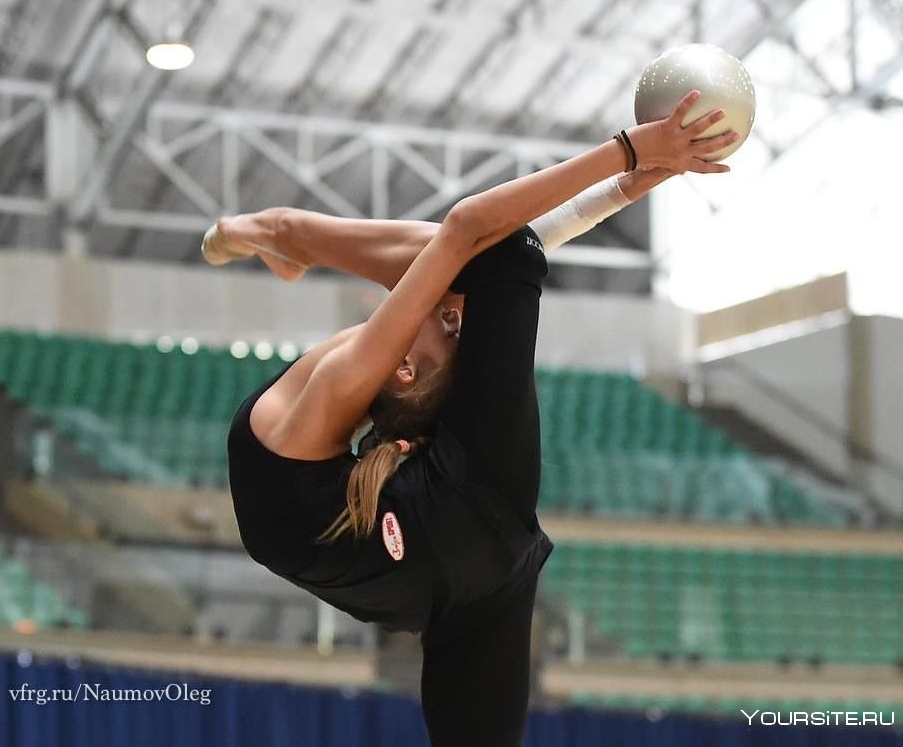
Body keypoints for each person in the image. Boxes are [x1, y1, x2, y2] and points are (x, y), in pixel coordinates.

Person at [206, 91, 736, 746]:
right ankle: (285, 233)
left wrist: (628, 157)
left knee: (481, 259)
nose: (457, 318)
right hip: (446, 570)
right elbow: (486, 244)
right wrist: (621, 180)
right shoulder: (350, 389)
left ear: (403, 371)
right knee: (485, 262)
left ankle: (283, 233)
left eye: (451, 328)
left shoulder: (338, 390)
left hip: (469, 564)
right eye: (456, 328)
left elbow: (472, 233)